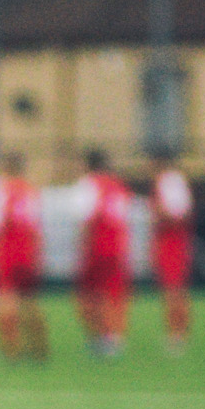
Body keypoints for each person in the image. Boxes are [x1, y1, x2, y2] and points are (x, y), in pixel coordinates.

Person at [0, 151, 48, 363]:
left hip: (6, 247)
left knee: (4, 298)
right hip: (28, 249)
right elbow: (37, 224)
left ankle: (11, 349)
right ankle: (39, 347)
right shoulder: (31, 190)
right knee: (29, 299)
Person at [74, 148, 133, 358]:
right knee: (115, 293)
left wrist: (82, 247)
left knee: (89, 295)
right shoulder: (119, 185)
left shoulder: (89, 184)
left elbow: (86, 218)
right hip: (117, 246)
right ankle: (114, 337)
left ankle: (101, 336)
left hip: (97, 246)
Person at [151, 161, 195, 355]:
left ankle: (177, 334)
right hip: (176, 241)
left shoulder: (167, 183)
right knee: (176, 290)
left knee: (173, 291)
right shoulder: (178, 182)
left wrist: (158, 213)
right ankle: (178, 333)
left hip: (171, 242)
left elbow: (171, 215)